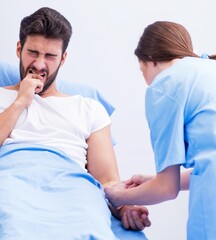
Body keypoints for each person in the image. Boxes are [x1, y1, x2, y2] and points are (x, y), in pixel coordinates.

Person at [0, 7, 151, 239]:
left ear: (63, 58)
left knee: (88, 223)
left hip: (74, 187)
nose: (40, 65)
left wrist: (125, 207)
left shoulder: (88, 108)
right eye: (32, 52)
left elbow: (108, 180)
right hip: (12, 181)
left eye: (50, 56)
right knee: (15, 223)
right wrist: (21, 101)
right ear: (19, 49)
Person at [104, 20, 216, 239]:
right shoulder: (208, 69)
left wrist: (116, 197)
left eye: (141, 71)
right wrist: (152, 179)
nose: (146, 81)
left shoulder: (165, 85)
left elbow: (166, 188)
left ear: (150, 61)